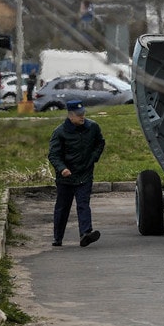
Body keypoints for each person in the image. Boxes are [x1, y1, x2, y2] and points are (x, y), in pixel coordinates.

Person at [48, 99, 105, 247]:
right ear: (70, 115)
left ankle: (85, 234)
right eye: (79, 115)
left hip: (85, 173)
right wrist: (62, 169)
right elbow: (53, 155)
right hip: (66, 177)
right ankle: (57, 237)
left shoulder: (92, 127)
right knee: (62, 207)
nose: (82, 117)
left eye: (83, 113)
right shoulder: (59, 132)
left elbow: (100, 143)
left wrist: (93, 158)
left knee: (83, 204)